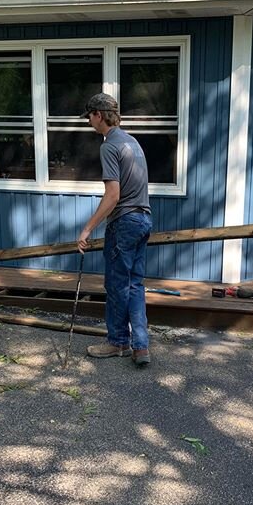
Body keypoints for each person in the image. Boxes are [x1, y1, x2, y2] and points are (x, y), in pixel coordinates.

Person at [77, 93, 152, 366]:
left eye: (90, 116)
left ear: (99, 115)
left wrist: (87, 229)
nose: (89, 121)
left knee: (117, 285)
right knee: (135, 284)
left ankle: (117, 342)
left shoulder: (109, 146)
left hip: (124, 222)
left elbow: (113, 195)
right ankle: (140, 347)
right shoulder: (133, 142)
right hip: (144, 219)